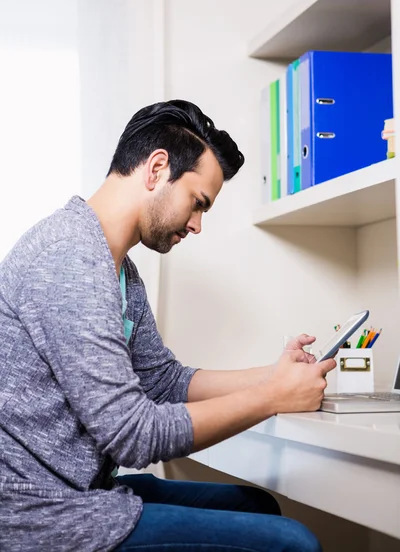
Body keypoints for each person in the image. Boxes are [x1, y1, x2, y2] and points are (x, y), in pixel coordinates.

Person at [0, 100, 335, 551]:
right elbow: (135, 436)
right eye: (198, 204)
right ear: (157, 168)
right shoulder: (70, 257)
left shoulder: (117, 267)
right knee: (293, 543)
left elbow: (163, 380)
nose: (197, 225)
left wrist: (274, 376)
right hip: (40, 516)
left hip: (83, 494)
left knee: (256, 506)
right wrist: (272, 398)